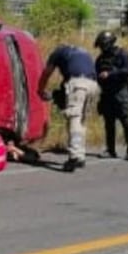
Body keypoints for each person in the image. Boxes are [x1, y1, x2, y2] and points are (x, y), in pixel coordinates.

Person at [38, 42, 99, 172]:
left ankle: (74, 157)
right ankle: (81, 156)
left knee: (74, 119)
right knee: (82, 121)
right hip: (93, 85)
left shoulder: (58, 52)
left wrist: (40, 89)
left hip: (78, 84)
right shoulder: (82, 51)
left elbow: (47, 72)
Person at [94, 30, 128, 161]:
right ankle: (110, 149)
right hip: (107, 93)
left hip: (121, 91)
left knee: (126, 121)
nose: (101, 48)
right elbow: (96, 74)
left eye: (103, 44)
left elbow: (127, 71)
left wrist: (110, 74)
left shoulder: (123, 54)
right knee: (108, 122)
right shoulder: (100, 59)